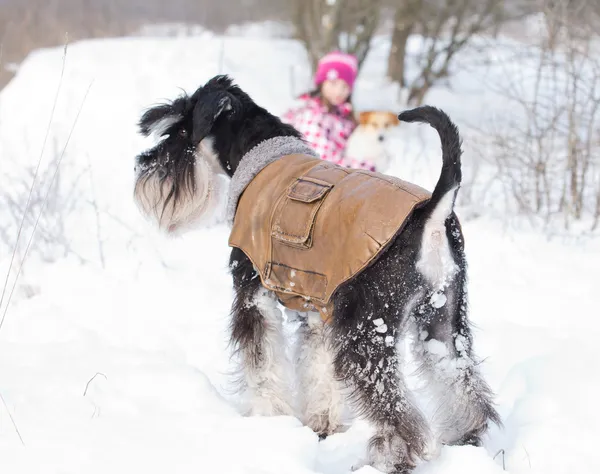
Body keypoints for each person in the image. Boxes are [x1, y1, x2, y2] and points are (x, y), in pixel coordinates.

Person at [282, 51, 365, 168]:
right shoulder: (311, 115)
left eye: (345, 86)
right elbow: (322, 162)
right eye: (333, 83)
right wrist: (368, 167)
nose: (339, 91)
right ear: (322, 83)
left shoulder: (344, 115)